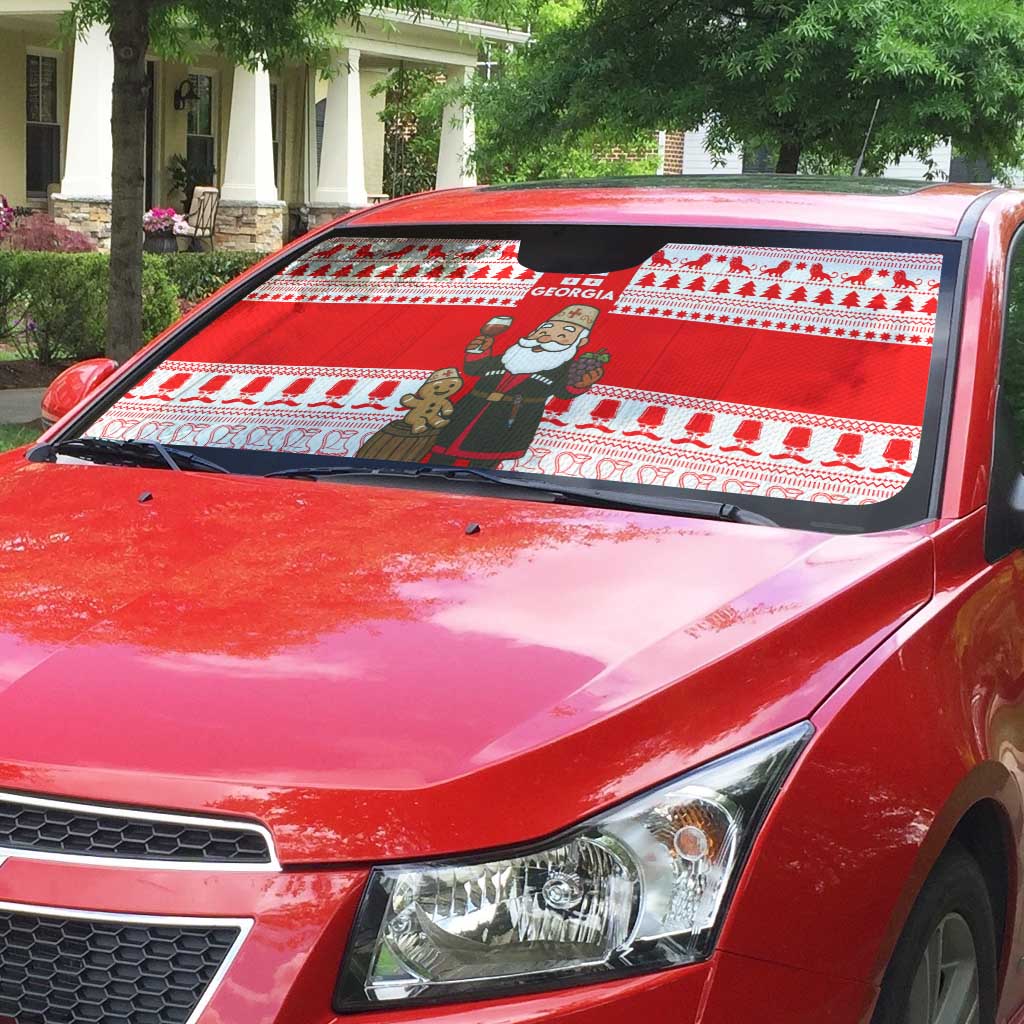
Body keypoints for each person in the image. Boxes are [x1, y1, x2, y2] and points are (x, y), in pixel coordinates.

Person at [428, 306, 605, 469]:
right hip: (470, 409)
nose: (546, 336)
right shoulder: (511, 355)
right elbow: (475, 369)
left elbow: (563, 392)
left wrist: (580, 385)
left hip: (511, 417)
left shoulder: (564, 367)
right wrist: (478, 351)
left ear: (580, 342)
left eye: (561, 336)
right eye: (544, 330)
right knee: (440, 453)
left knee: (485, 461)